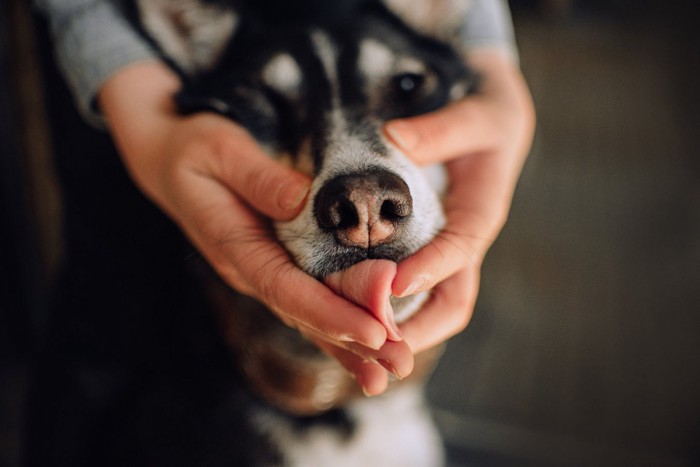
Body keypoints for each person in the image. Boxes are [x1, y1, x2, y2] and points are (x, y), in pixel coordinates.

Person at [30, 0, 534, 459]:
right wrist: (121, 72)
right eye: (266, 105)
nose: (361, 202)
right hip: (139, 66)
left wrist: (487, 54)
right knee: (114, 305)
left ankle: (376, 407)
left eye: (404, 87)